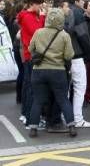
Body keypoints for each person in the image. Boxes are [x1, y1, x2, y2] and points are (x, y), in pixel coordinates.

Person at [28, 8, 76, 138]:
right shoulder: (64, 35)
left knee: (38, 100)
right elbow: (69, 55)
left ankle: (33, 128)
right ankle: (71, 126)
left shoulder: (38, 32)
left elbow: (30, 48)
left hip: (38, 71)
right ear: (62, 19)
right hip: (58, 71)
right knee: (63, 99)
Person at [65, 0, 90, 128]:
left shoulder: (63, 10)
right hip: (76, 54)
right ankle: (77, 118)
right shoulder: (77, 13)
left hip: (63, 55)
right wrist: (89, 52)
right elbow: (83, 35)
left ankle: (64, 116)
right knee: (79, 87)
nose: (83, 2)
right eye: (82, 0)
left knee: (65, 88)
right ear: (77, 1)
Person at [17, 0, 46, 127]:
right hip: (32, 56)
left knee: (29, 86)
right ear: (32, 4)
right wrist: (42, 18)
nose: (41, 6)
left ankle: (26, 115)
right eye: (39, 4)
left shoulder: (30, 15)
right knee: (31, 89)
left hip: (31, 55)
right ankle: (30, 119)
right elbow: (38, 33)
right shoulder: (28, 17)